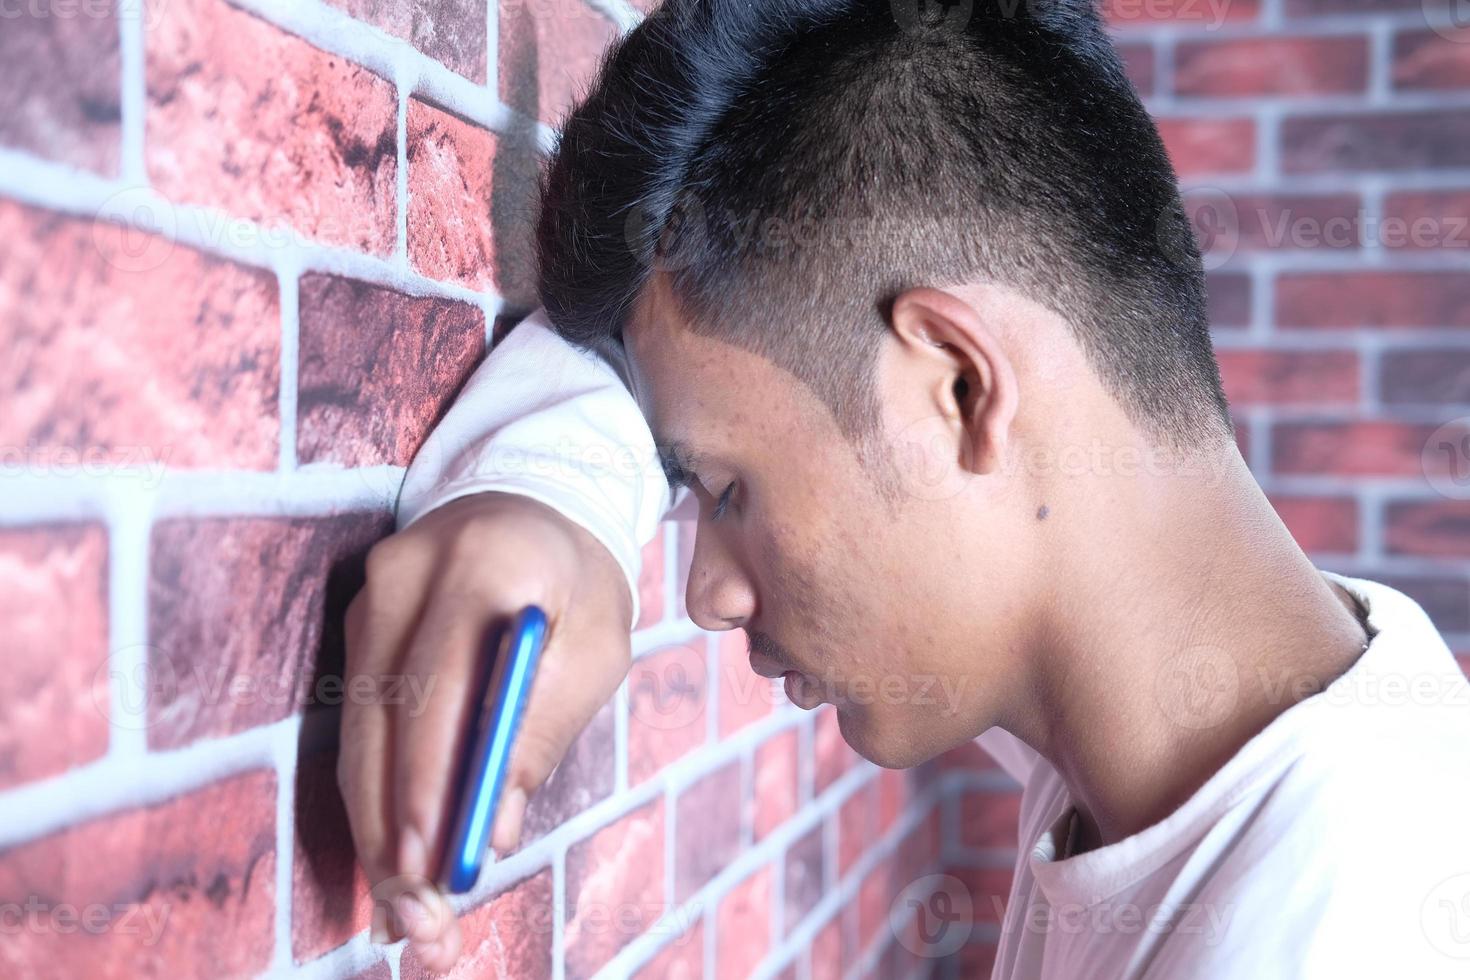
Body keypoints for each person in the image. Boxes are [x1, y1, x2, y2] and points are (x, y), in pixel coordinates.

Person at [338, 0, 1470, 975]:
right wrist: (545, 499)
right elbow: (659, 366)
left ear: (963, 389)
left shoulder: (1328, 935)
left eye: (725, 490)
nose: (708, 593)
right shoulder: (1265, 702)